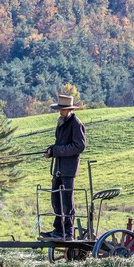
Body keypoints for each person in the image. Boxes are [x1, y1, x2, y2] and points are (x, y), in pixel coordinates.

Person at [40, 94, 86, 241]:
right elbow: (59, 144)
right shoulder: (61, 123)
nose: (60, 112)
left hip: (69, 169)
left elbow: (79, 146)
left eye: (63, 110)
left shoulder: (76, 124)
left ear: (69, 110)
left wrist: (56, 151)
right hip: (59, 168)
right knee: (56, 199)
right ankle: (58, 230)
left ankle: (68, 232)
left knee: (67, 201)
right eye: (60, 110)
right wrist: (51, 150)